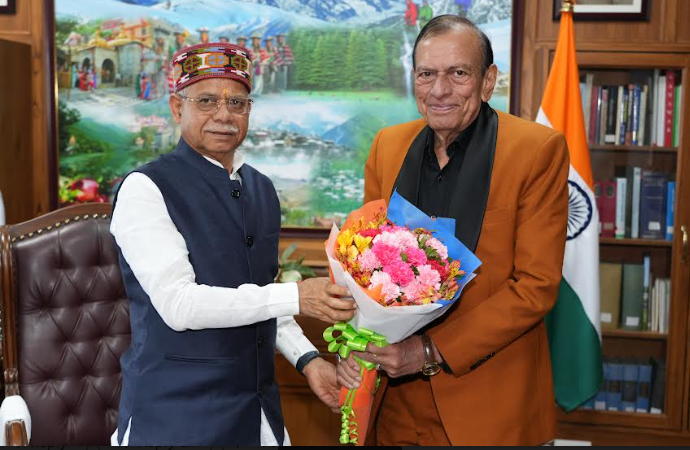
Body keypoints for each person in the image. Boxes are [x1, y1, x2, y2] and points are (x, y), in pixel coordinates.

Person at [337, 15, 569, 446]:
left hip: (489, 406)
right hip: (392, 404)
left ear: (488, 81)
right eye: (426, 74)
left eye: (458, 73)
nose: (439, 90)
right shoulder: (388, 145)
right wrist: (353, 342)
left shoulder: (536, 150)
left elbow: (535, 286)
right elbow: (361, 263)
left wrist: (428, 351)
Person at [110, 42, 356, 446]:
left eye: (237, 103)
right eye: (207, 101)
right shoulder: (146, 188)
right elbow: (180, 305)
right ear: (177, 108)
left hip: (256, 412)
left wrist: (308, 359)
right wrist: (297, 296)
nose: (224, 115)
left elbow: (260, 296)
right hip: (175, 416)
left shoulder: (261, 188)